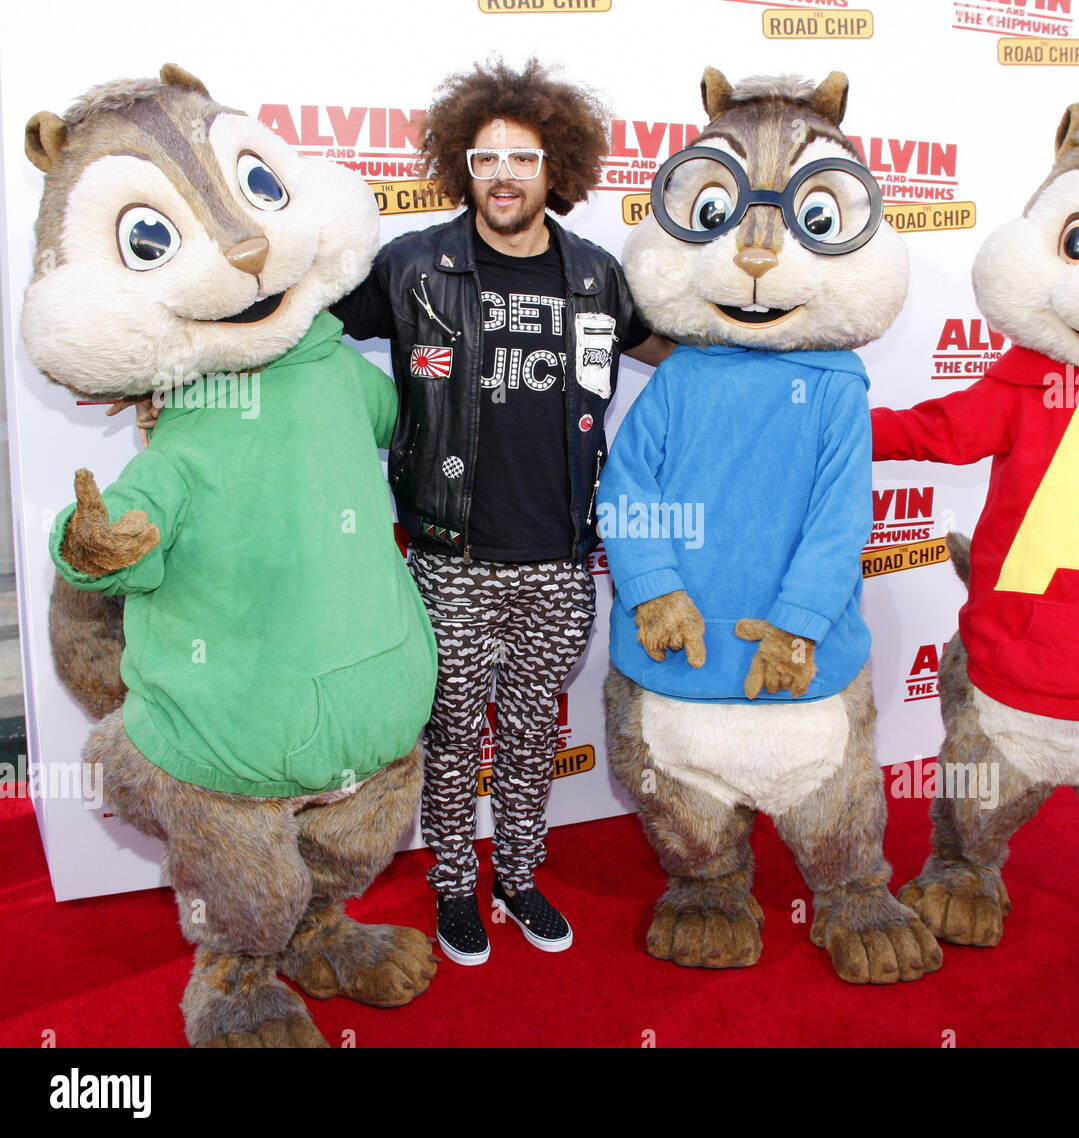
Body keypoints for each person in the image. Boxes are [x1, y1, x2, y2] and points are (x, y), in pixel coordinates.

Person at [332, 58, 672, 966]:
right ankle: (452, 890)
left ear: (555, 168)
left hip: (562, 562)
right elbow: (303, 322)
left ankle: (518, 878)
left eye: (524, 159)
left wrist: (776, 362)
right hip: (450, 556)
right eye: (487, 159)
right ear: (463, 167)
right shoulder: (412, 268)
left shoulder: (597, 276)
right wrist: (182, 374)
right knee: (450, 737)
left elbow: (680, 347)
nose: (506, 176)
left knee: (529, 737)